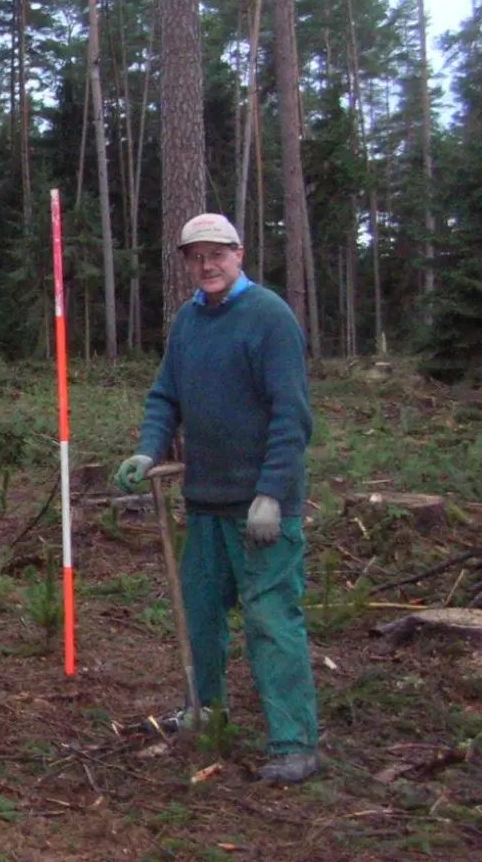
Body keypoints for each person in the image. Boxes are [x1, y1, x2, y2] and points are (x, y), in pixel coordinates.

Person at [114, 213, 319, 783]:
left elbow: (291, 416)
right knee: (198, 616)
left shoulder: (269, 318)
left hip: (263, 510)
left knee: (272, 621)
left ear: (239, 253)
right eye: (195, 256)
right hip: (205, 504)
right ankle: (205, 711)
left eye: (217, 253)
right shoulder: (188, 322)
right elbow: (165, 396)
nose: (207, 265)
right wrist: (148, 451)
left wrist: (272, 495)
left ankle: (294, 742)